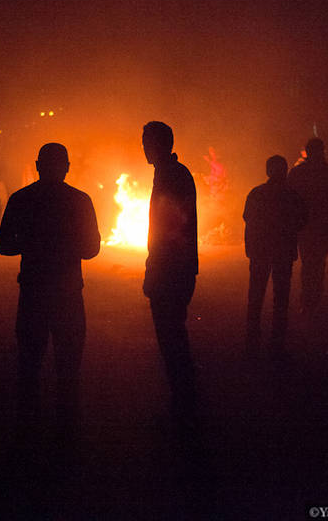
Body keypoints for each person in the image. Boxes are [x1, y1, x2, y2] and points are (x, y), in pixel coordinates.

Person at [0, 143, 100, 442]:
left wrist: (32, 243)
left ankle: (27, 436)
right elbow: (92, 248)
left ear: (38, 165)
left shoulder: (21, 199)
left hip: (33, 293)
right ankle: (66, 436)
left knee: (29, 366)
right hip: (68, 294)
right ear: (67, 167)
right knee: (68, 368)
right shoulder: (80, 201)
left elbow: (4, 245)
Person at [142, 121, 198, 428]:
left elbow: (171, 230)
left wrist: (156, 270)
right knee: (173, 338)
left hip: (171, 272)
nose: (143, 147)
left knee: (172, 339)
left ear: (160, 144)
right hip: (175, 269)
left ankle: (184, 408)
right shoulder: (169, 174)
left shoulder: (172, 176)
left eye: (147, 141)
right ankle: (183, 404)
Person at [243, 155, 307, 359]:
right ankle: (276, 344)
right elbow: (302, 219)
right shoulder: (292, 195)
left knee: (256, 296)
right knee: (281, 298)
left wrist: (251, 246)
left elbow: (248, 218)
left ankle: (252, 341)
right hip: (283, 251)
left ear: (267, 171)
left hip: (261, 251)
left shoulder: (257, 193)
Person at [287, 138, 328, 321]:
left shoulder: (298, 173)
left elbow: (288, 198)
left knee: (308, 262)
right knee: (319, 261)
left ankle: (308, 301)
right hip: (322, 225)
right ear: (321, 151)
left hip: (304, 225)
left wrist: (294, 219)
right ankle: (315, 299)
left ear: (307, 152)